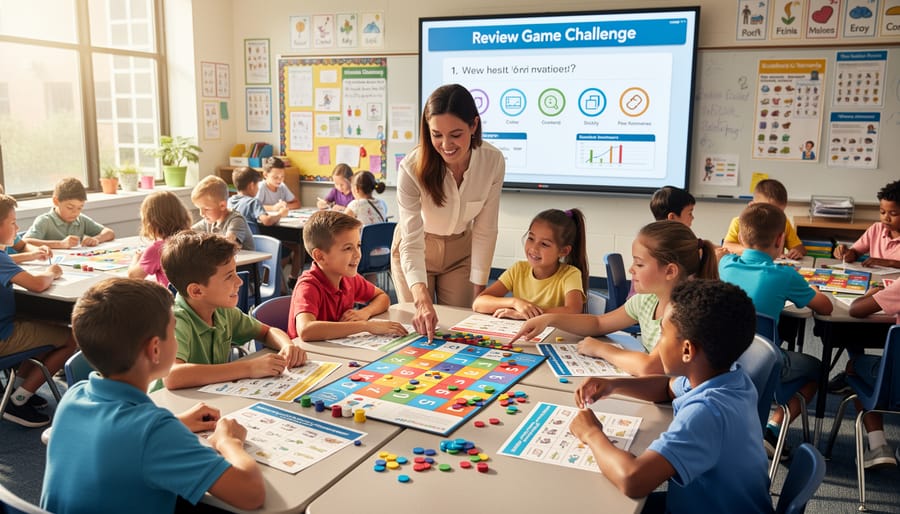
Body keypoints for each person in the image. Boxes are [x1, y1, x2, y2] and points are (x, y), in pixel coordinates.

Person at [41, 278, 265, 513]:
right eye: (173, 332)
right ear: (155, 349)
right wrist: (228, 442)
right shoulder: (155, 431)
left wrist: (178, 424)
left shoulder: (74, 396)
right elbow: (251, 494)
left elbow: (120, 438)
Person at [569, 280, 772, 514]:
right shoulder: (728, 377)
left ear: (687, 350)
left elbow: (633, 480)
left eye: (663, 333)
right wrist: (613, 385)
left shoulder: (707, 411)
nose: (658, 342)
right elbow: (667, 388)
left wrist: (591, 433)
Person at [512, 221, 718, 376]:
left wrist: (602, 349)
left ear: (670, 271)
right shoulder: (646, 300)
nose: (631, 269)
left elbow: (650, 367)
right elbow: (599, 322)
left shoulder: (683, 313)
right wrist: (549, 319)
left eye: (639, 264)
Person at [391, 84, 505, 340]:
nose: (446, 145)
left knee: (460, 325)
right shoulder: (411, 167)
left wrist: (480, 295)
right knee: (419, 328)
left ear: (473, 125)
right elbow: (411, 239)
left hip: (459, 251)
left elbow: (486, 229)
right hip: (417, 246)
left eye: (456, 134)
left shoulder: (492, 161)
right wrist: (421, 300)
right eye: (437, 135)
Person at [718, 203, 833, 455]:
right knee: (816, 370)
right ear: (781, 240)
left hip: (720, 361)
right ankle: (773, 427)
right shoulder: (785, 276)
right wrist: (813, 290)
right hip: (766, 365)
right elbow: (825, 308)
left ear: (740, 236)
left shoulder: (724, 265)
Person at [160, 231, 306, 390]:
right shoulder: (176, 321)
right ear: (196, 291)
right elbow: (172, 376)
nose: (239, 281)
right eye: (229, 276)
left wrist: (287, 345)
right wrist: (249, 368)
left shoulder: (222, 311)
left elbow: (267, 332)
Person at [0, 194, 77, 427]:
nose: (18, 227)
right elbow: (37, 284)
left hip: (8, 327)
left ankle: (17, 390)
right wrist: (53, 271)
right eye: (13, 222)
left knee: (45, 329)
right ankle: (18, 400)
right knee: (72, 337)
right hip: (3, 337)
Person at [288, 210, 406, 341]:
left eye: (358, 245)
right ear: (320, 256)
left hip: (334, 350)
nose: (358, 254)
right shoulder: (308, 286)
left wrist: (364, 313)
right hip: (309, 356)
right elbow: (306, 330)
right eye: (348, 248)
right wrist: (365, 326)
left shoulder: (348, 278)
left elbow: (382, 297)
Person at [473, 208, 587, 319]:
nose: (534, 248)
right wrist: (515, 302)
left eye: (544, 244)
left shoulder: (570, 274)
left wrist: (527, 314)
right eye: (531, 238)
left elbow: (574, 311)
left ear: (563, 251)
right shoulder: (518, 269)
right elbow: (478, 303)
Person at [843, 279, 900, 468]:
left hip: (896, 384)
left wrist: (871, 293)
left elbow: (856, 309)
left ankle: (878, 444)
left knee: (855, 366)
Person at [722, 178, 806, 259]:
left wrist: (796, 251)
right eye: (766, 211)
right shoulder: (739, 222)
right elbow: (727, 246)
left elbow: (799, 247)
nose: (772, 217)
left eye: (779, 213)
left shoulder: (784, 223)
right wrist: (757, 252)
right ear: (752, 205)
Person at [23, 177, 115, 249]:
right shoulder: (45, 221)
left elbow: (109, 233)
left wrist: (96, 239)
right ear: (56, 201)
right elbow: (25, 242)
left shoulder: (81, 220)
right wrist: (61, 244)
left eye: (80, 207)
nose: (75, 212)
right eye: (70, 207)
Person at [127, 191, 191, 288]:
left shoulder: (158, 249)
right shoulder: (193, 239)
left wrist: (136, 258)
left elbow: (134, 276)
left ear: (150, 221)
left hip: (172, 299)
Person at [833, 179, 900, 268]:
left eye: (893, 214)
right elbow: (855, 253)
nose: (886, 218)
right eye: (882, 212)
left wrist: (889, 263)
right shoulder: (877, 229)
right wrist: (846, 253)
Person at [190, 175, 255, 250]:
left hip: (246, 261)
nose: (201, 213)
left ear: (222, 205)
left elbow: (227, 244)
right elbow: (189, 231)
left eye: (206, 209)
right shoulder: (209, 221)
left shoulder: (236, 220)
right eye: (199, 208)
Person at [228, 166, 288, 231]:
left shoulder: (230, 200)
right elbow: (267, 221)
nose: (258, 188)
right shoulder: (253, 202)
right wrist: (280, 214)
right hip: (252, 240)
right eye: (257, 185)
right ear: (251, 186)